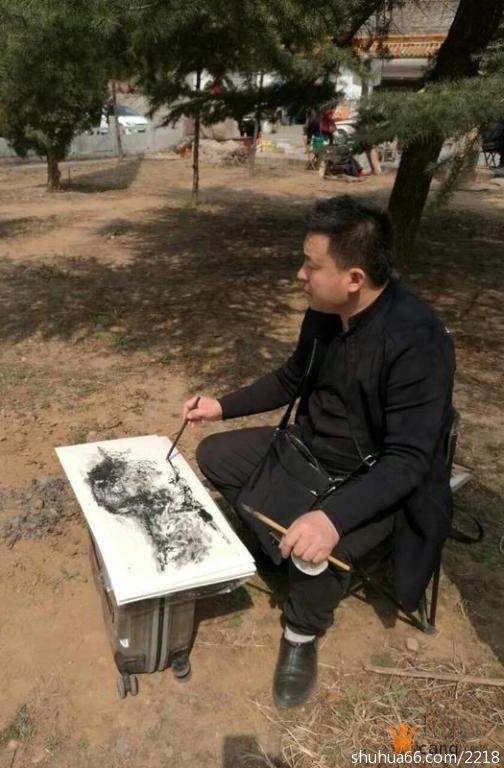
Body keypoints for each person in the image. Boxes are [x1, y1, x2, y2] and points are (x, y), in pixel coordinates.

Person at [181, 195, 455, 708]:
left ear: (354, 278)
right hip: (309, 452)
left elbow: (408, 460)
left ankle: (301, 633)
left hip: (376, 480)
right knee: (216, 455)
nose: (300, 275)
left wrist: (330, 518)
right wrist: (221, 406)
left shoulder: (416, 340)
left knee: (314, 546)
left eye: (311, 265)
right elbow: (293, 378)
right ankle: (280, 547)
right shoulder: (325, 312)